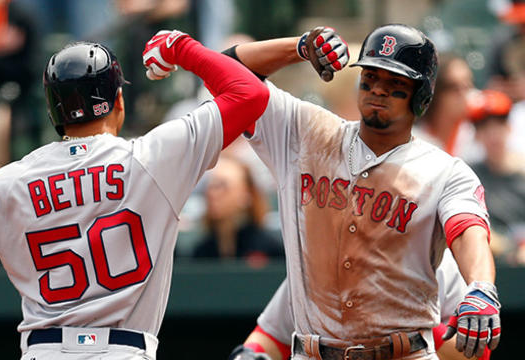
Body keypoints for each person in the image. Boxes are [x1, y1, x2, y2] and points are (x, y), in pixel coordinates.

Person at [0, 29, 270, 359]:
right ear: (119, 101)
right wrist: (182, 47)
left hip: (43, 350)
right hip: (124, 350)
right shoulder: (152, 157)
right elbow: (250, 93)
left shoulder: (10, 181)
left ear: (54, 112)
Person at [217, 24, 500, 359]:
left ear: (421, 96)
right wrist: (301, 47)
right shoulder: (308, 133)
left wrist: (481, 286)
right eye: (371, 77)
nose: (378, 89)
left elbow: (468, 229)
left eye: (395, 82)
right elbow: (227, 74)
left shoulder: (443, 171)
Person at [229, 250, 490, 360]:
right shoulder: (316, 261)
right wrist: (250, 355)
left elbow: (478, 353)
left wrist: (408, 327)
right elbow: (271, 336)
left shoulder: (435, 257)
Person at [467, 88, 525, 265]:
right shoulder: (468, 176)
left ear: (508, 127)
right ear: (477, 134)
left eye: (498, 125)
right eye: (485, 128)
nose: (493, 135)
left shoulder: (522, 172)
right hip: (486, 262)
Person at [192, 153, 283, 264]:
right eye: (209, 185)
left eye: (221, 185)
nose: (212, 193)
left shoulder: (270, 249)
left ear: (246, 194)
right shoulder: (201, 253)